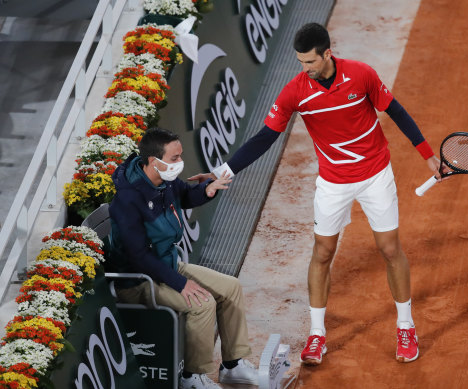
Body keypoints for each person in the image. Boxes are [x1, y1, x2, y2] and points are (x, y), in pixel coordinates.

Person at [210, 23, 442, 365]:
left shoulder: (361, 75)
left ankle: (405, 326)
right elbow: (264, 138)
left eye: (310, 62)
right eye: (301, 62)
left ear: (327, 54)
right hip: (333, 182)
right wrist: (223, 172)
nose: (305, 69)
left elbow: (396, 111)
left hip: (375, 174)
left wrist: (428, 155)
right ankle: (317, 335)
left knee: (390, 248)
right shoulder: (295, 92)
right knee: (322, 252)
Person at [107, 127, 259, 389]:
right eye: (175, 158)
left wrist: (208, 190)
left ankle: (233, 365)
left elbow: (186, 195)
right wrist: (180, 283)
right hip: (139, 281)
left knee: (230, 287)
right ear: (154, 162)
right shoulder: (128, 199)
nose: (180, 163)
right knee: (202, 303)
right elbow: (139, 256)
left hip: (165, 265)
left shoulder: (163, 181)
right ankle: (192, 377)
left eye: (180, 156)